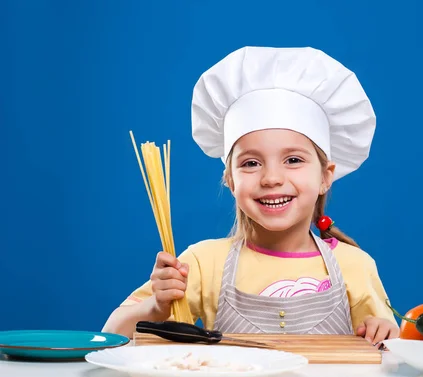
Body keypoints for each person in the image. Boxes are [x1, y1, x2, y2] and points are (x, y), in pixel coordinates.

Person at [102, 46, 399, 345]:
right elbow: (111, 334)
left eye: (293, 160)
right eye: (251, 163)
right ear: (230, 180)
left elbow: (386, 351)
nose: (271, 178)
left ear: (325, 176)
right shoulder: (203, 263)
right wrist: (156, 306)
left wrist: (384, 333)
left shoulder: (355, 265)